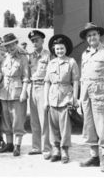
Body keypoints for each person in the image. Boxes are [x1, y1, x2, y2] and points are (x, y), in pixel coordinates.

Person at [78, 22, 104, 172]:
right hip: (86, 96)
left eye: (94, 34)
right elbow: (83, 78)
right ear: (86, 39)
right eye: (88, 35)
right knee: (89, 127)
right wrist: (79, 100)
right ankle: (94, 157)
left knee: (103, 127)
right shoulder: (85, 54)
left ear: (99, 35)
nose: (91, 37)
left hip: (102, 94)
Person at [44, 34, 79, 163]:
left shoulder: (71, 62)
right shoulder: (51, 63)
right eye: (57, 49)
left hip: (66, 98)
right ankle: (56, 150)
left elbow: (75, 81)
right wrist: (46, 100)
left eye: (62, 48)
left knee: (65, 127)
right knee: (53, 126)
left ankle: (64, 151)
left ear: (66, 49)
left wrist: (74, 99)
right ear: (54, 50)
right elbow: (47, 82)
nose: (59, 51)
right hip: (53, 98)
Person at [0, 33, 29, 156]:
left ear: (16, 44)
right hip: (4, 91)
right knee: (6, 118)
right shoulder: (4, 58)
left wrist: (24, 92)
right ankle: (9, 144)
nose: (10, 48)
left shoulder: (23, 58)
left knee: (17, 119)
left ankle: (17, 145)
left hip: (17, 91)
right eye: (7, 46)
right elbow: (1, 75)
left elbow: (26, 77)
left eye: (12, 45)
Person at [27, 30, 52, 158]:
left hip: (43, 87)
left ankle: (46, 148)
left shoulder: (48, 55)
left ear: (43, 40)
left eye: (37, 40)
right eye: (33, 41)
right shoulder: (30, 56)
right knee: (34, 120)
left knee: (44, 120)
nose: (35, 42)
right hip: (32, 87)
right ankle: (36, 147)